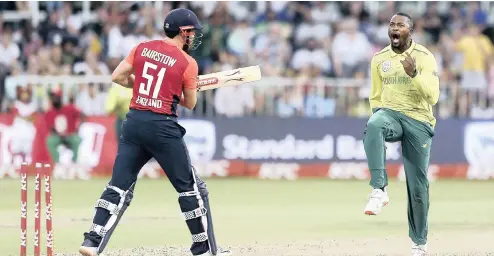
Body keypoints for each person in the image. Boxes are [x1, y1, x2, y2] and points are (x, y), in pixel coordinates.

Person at [79, 8, 231, 256]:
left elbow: (118, 76)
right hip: (163, 127)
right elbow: (190, 103)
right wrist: (184, 89)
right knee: (191, 189)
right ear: (183, 32)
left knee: (118, 187)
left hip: (134, 122)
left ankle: (92, 242)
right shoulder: (187, 62)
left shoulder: (142, 47)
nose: (194, 36)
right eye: (192, 32)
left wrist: (145, 86)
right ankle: (204, 249)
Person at [363, 13, 439, 256]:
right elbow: (375, 96)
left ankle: (419, 243)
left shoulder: (425, 57)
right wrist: (379, 119)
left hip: (419, 121)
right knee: (374, 123)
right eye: (392, 24)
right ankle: (379, 190)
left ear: (410, 31)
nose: (395, 28)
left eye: (401, 25)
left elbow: (433, 97)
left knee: (418, 189)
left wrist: (414, 75)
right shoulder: (379, 59)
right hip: (392, 116)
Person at [45, 88, 83, 164]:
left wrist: (77, 128)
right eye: (53, 97)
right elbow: (51, 127)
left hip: (70, 135)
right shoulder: (50, 112)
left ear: (60, 97)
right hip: (58, 136)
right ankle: (57, 163)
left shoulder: (69, 108)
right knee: (50, 140)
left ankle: (74, 162)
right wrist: (60, 134)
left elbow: (81, 115)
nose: (54, 99)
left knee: (76, 139)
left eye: (56, 97)